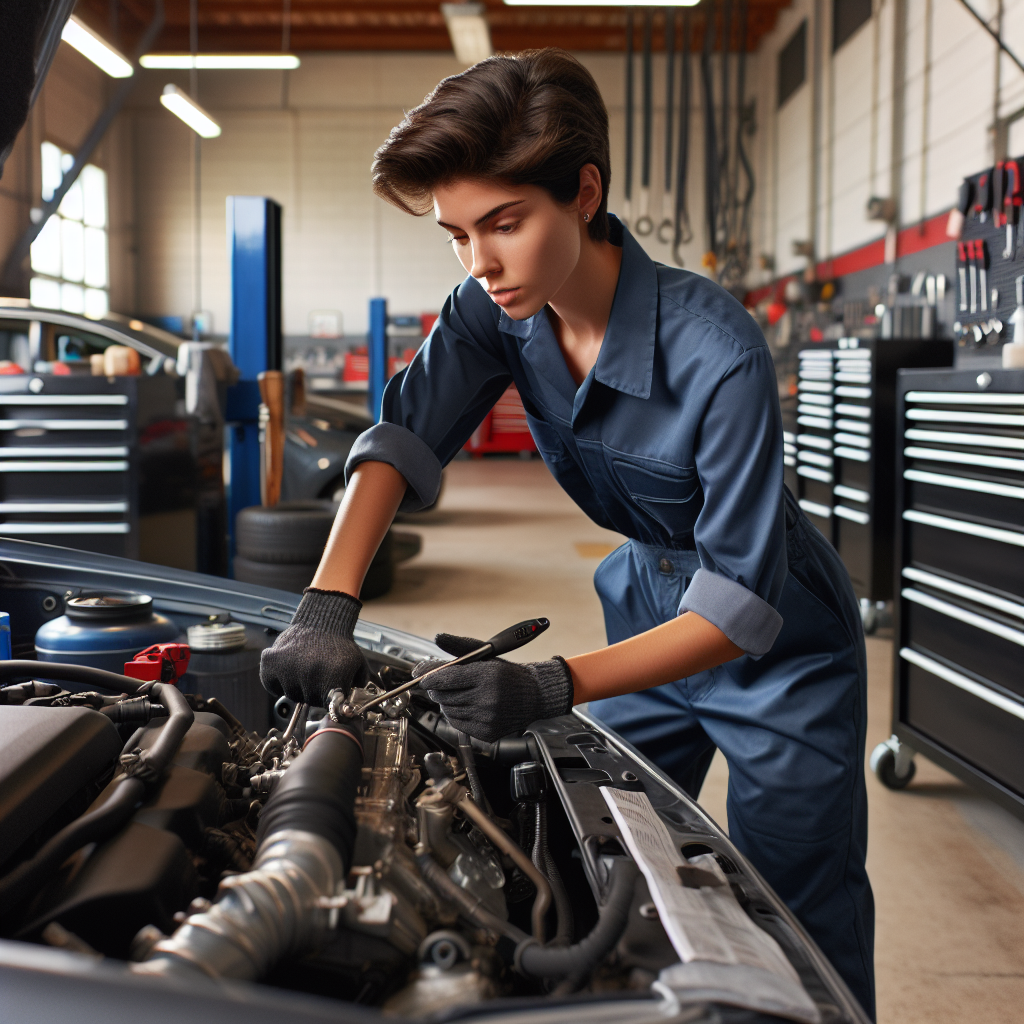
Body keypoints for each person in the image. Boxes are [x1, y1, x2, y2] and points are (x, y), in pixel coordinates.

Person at [260, 49, 874, 1017]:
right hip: (642, 603)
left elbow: (740, 601)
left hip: (778, 646)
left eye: (504, 223)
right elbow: (403, 433)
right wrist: (327, 600)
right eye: (456, 233)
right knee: (599, 845)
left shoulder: (719, 353)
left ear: (582, 193)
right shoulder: (493, 313)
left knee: (796, 908)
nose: (479, 262)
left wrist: (552, 683)